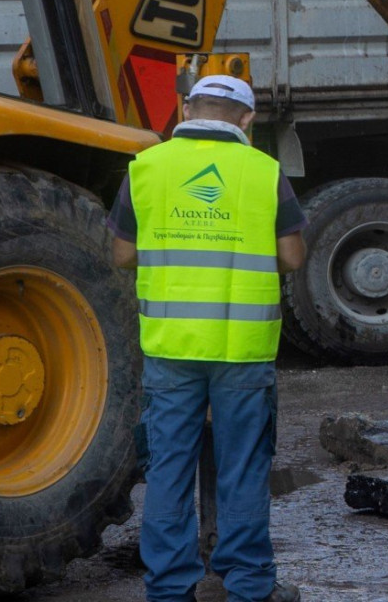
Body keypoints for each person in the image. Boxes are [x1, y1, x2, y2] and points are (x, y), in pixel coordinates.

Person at [108, 75, 306, 602]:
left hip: (171, 347)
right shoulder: (264, 171)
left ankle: (169, 589)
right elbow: (292, 256)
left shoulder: (146, 168)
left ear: (187, 109)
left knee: (168, 470)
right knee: (242, 469)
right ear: (247, 119)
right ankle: (249, 586)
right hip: (242, 350)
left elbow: (122, 254)